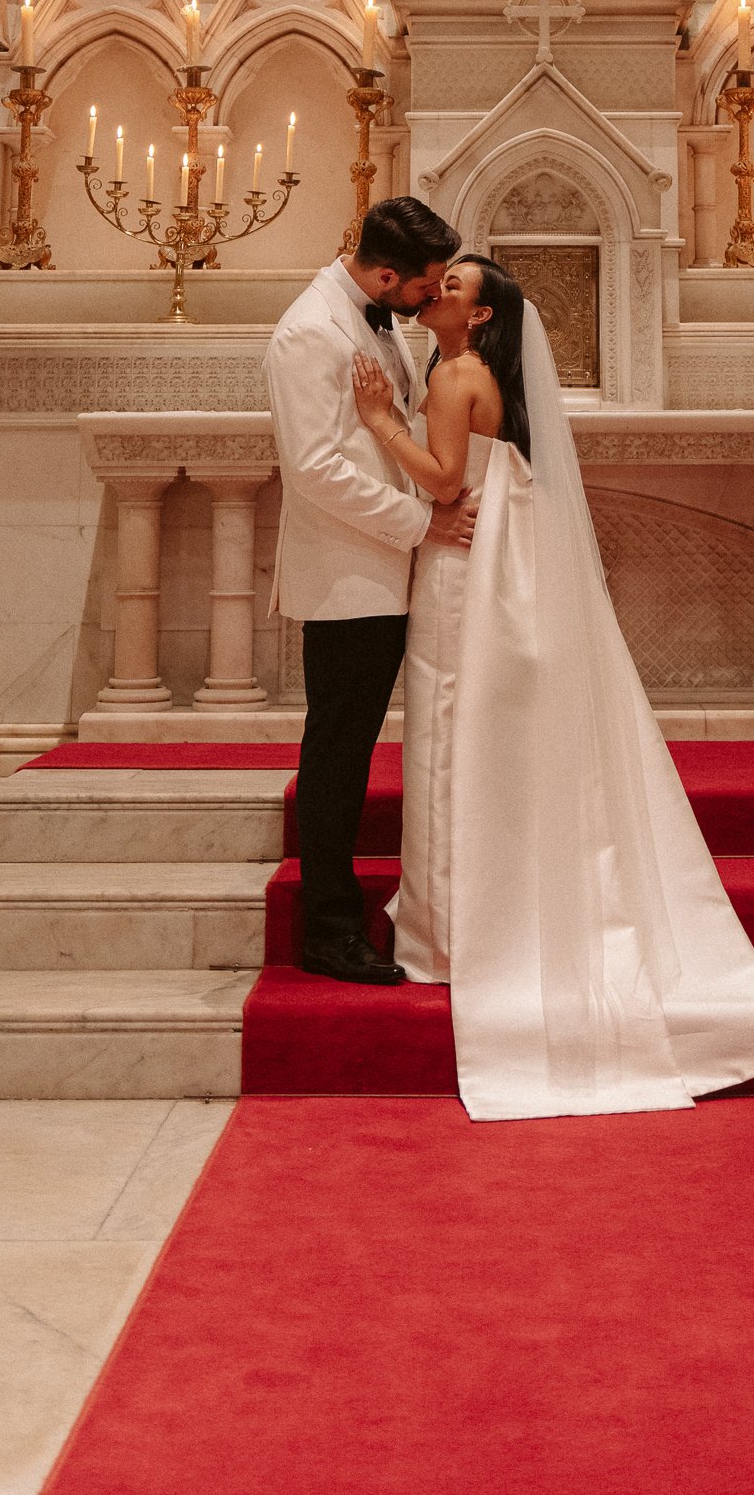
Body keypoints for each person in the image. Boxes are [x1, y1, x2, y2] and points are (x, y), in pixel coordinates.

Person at [352, 256, 754, 1119]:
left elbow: (445, 482)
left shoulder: (456, 373)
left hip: (468, 569)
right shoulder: (462, 367)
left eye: (455, 289)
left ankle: (451, 934)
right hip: (500, 553)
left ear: (485, 319)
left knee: (447, 731)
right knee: (458, 734)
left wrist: (380, 421)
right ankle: (465, 915)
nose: (438, 294)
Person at [264, 194, 470, 986]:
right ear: (387, 274)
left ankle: (341, 914)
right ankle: (327, 929)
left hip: (386, 569)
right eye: (425, 285)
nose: (431, 297)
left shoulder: (372, 321)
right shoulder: (308, 333)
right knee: (339, 757)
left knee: (350, 752)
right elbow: (315, 470)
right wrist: (421, 524)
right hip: (351, 576)